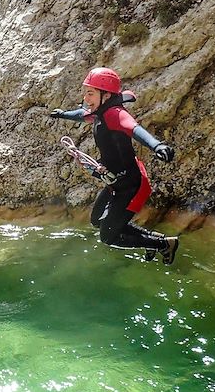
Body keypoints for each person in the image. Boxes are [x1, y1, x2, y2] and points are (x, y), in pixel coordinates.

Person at [51, 67, 180, 264]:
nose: (86, 98)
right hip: (116, 183)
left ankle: (162, 245)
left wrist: (157, 145)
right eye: (85, 92)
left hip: (130, 186)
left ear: (106, 94)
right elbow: (81, 114)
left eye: (90, 93)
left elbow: (135, 129)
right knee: (97, 221)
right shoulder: (99, 112)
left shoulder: (115, 114)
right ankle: (154, 240)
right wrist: (63, 114)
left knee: (108, 237)